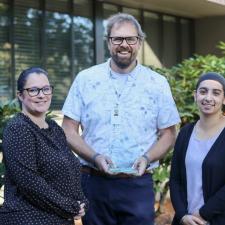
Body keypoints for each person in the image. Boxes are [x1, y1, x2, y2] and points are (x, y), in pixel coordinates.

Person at [62, 13, 180, 225]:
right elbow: (69, 130)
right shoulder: (86, 79)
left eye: (130, 39)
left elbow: (169, 133)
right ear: (108, 42)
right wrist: (95, 156)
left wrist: (146, 157)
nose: (123, 44)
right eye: (117, 39)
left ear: (140, 42)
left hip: (137, 185)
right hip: (94, 183)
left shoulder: (157, 83)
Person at [0, 67, 88, 225]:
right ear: (20, 95)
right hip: (28, 219)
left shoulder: (54, 128)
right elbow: (30, 183)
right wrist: (69, 206)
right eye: (33, 90)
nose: (41, 95)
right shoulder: (18, 129)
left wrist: (80, 202)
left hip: (60, 219)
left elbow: (70, 169)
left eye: (46, 89)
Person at [170, 72, 225, 225]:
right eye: (203, 91)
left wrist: (202, 214)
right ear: (195, 96)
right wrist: (182, 215)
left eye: (216, 93)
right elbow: (175, 179)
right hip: (186, 221)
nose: (208, 98)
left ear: (224, 98)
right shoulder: (186, 132)